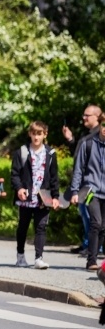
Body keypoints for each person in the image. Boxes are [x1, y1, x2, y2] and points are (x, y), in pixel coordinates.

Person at [11, 121, 60, 270]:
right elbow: (14, 174)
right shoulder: (22, 152)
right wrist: (19, 188)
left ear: (45, 135)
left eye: (39, 134)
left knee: (41, 227)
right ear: (30, 134)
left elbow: (54, 177)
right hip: (26, 197)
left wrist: (55, 196)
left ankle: (39, 258)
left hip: (43, 197)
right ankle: (20, 256)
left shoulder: (50, 154)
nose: (36, 137)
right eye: (34, 134)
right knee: (23, 226)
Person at [63, 105, 102, 255]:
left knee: (91, 215)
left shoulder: (99, 135)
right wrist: (70, 139)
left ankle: (94, 246)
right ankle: (88, 243)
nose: (83, 118)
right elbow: (79, 155)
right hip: (84, 183)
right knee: (85, 213)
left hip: (93, 184)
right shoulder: (87, 135)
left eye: (87, 115)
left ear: (97, 117)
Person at [70, 109, 105, 271]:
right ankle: (91, 260)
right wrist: (74, 191)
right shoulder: (88, 144)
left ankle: (95, 255)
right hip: (91, 192)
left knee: (103, 227)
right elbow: (78, 169)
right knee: (95, 222)